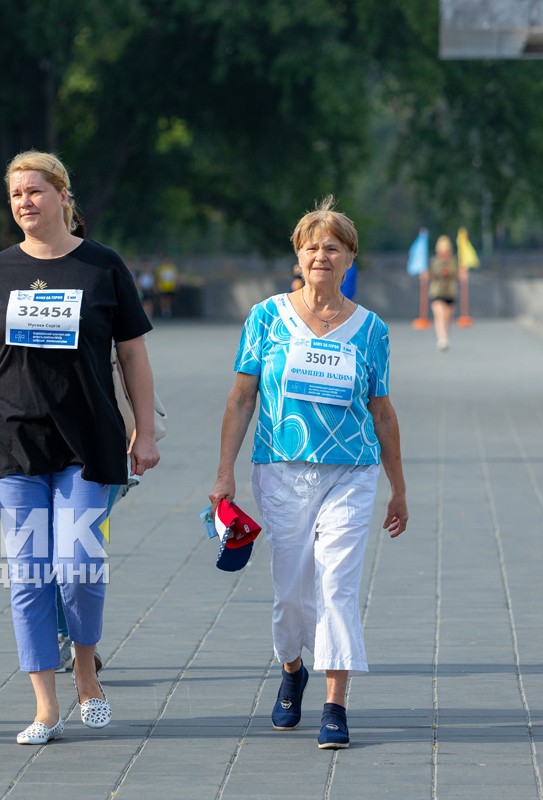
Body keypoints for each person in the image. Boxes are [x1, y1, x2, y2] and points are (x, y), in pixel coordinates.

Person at [0, 151, 159, 745]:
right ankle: (44, 707)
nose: (24, 203)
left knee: (79, 565)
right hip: (13, 441)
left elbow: (133, 354)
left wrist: (147, 429)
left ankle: (86, 673)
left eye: (35, 191)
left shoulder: (103, 267)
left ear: (63, 195)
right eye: (15, 196)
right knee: (30, 573)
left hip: (89, 442)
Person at [209, 196, 408, 750]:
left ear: (349, 260)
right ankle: (292, 668)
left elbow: (383, 411)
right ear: (298, 255)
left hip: (351, 470)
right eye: (312, 246)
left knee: (338, 586)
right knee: (292, 594)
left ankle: (335, 703)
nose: (322, 256)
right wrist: (223, 473)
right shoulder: (267, 317)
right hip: (280, 470)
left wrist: (400, 488)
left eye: (333, 248)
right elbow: (241, 396)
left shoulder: (371, 331)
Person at [423, 235, 465, 351]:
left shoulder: (453, 261)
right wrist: (426, 275)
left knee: (447, 316)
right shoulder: (434, 261)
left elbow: (456, 275)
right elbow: (431, 274)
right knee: (439, 314)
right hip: (437, 291)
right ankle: (442, 339)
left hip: (450, 292)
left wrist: (461, 274)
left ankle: (445, 336)